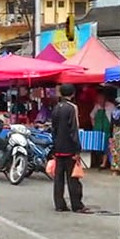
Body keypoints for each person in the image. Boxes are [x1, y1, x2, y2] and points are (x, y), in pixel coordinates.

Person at [51, 84, 90, 213]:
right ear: (72, 94)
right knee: (73, 178)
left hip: (58, 147)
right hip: (69, 148)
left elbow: (54, 129)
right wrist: (77, 149)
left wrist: (54, 146)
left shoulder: (56, 108)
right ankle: (77, 205)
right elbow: (74, 129)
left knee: (59, 179)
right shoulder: (72, 108)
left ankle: (59, 204)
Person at [90, 92, 116, 169]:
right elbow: (91, 115)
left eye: (100, 98)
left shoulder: (111, 106)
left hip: (107, 129)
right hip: (97, 129)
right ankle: (97, 162)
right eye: (98, 98)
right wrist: (94, 125)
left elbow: (115, 116)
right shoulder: (97, 106)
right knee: (97, 145)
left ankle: (104, 163)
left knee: (106, 145)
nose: (99, 100)